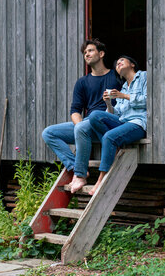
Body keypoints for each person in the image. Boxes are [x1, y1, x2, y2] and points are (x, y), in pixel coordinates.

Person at [42, 38, 123, 192]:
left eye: (90, 50)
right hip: (87, 124)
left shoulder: (115, 76)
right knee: (49, 133)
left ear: (101, 54)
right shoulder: (82, 82)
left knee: (85, 125)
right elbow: (75, 110)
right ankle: (75, 166)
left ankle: (79, 175)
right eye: (85, 52)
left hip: (108, 123)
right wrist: (79, 125)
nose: (87, 54)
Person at [79, 55, 147, 195]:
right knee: (95, 116)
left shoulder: (144, 77)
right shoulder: (123, 87)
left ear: (132, 64)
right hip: (122, 122)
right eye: (116, 64)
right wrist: (109, 103)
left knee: (109, 136)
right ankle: (113, 146)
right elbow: (116, 114)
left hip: (137, 123)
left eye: (122, 60)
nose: (118, 63)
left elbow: (148, 100)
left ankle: (101, 179)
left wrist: (124, 96)